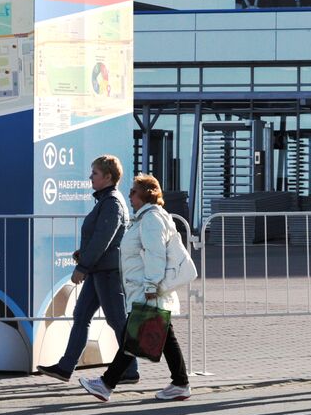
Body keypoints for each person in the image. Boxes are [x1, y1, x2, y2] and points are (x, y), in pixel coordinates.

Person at [79, 175, 194, 401]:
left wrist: (151, 285)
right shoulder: (145, 218)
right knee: (160, 338)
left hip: (148, 289)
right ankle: (180, 382)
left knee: (133, 340)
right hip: (145, 288)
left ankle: (106, 383)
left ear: (145, 194)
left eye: (133, 192)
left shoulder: (151, 219)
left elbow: (155, 254)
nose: (129, 196)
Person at [38, 155, 138, 384]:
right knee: (81, 315)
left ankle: (131, 369)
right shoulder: (106, 201)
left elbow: (103, 240)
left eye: (94, 173)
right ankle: (65, 367)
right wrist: (83, 255)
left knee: (118, 321)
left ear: (108, 177)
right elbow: (100, 240)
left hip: (107, 272)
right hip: (99, 270)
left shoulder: (112, 203)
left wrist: (82, 266)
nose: (90, 177)